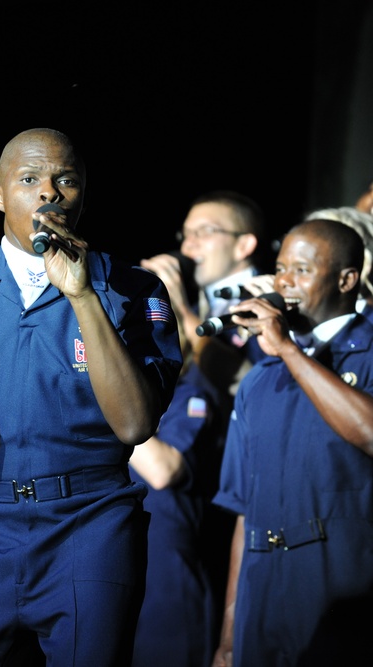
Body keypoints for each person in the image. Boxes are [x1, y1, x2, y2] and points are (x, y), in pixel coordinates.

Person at [0, 127, 183, 665]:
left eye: (67, 180)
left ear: (83, 194)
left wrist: (81, 295)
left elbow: (135, 425)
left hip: (90, 522)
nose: (49, 192)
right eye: (29, 179)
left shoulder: (133, 288)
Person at [210, 218, 373, 667]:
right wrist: (229, 632)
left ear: (346, 280)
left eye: (301, 270)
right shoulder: (260, 379)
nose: (284, 283)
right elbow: (244, 510)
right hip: (263, 589)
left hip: (342, 590)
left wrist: (288, 350)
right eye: (280, 269)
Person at [129, 253, 228, 667]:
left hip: (167, 571)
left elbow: (163, 469)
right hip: (115, 559)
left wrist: (103, 400)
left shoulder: (190, 388)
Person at [141, 190, 271, 400]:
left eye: (205, 231)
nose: (188, 245)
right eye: (186, 234)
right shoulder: (195, 307)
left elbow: (252, 386)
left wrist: (183, 311)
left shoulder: (267, 305)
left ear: (243, 245)